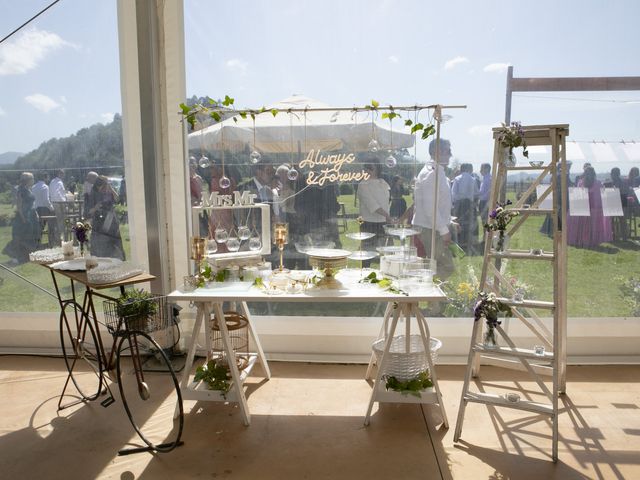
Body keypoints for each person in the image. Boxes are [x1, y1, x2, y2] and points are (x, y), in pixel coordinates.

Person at [409, 138, 455, 281]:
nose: (450, 155)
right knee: (445, 266)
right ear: (437, 152)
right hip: (431, 228)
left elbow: (438, 204)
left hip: (432, 226)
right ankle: (425, 292)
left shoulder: (436, 171)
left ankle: (432, 301)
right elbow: (430, 207)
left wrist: (450, 221)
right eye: (448, 151)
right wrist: (444, 230)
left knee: (433, 265)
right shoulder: (432, 173)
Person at [567, 166, 612, 248]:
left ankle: (583, 240)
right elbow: (602, 193)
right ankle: (591, 240)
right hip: (594, 207)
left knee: (583, 225)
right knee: (593, 225)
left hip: (583, 205)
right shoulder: (598, 183)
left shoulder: (581, 182)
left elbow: (578, 193)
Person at [357, 161, 392, 266]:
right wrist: (387, 216)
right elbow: (372, 204)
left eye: (370, 168)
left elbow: (387, 201)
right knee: (367, 254)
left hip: (383, 223)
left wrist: (387, 217)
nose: (367, 171)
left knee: (384, 254)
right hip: (368, 223)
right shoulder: (363, 184)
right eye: (365, 168)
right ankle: (366, 275)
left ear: (377, 169)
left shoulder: (383, 182)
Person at [2, 172, 40, 263]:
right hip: (24, 217)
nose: (33, 180)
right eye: (32, 178)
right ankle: (15, 255)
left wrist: (36, 214)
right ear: (28, 180)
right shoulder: (21, 190)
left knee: (29, 237)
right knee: (20, 238)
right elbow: (19, 206)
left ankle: (26, 256)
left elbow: (32, 204)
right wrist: (23, 219)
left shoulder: (28, 189)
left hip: (31, 216)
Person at [87, 176, 125, 259]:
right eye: (102, 187)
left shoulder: (109, 190)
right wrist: (96, 207)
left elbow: (117, 199)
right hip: (99, 222)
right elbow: (89, 211)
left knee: (115, 243)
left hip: (111, 220)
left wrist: (111, 189)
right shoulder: (94, 192)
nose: (103, 189)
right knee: (101, 246)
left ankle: (118, 259)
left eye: (105, 186)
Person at [451, 163, 479, 254]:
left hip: (459, 204)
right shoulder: (473, 179)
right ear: (468, 169)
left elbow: (453, 194)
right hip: (469, 204)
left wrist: (456, 202)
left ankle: (459, 244)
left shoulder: (457, 179)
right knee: (469, 224)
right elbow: (476, 193)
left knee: (458, 223)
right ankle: (468, 245)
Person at [32, 171, 56, 246]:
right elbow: (46, 200)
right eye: (47, 177)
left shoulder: (34, 186)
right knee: (51, 226)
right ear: (45, 178)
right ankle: (51, 242)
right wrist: (52, 208)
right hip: (44, 209)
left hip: (36, 208)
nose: (48, 179)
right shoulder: (45, 187)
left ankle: (37, 243)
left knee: (38, 228)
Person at [49, 169, 67, 245]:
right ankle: (60, 238)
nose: (63, 175)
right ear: (60, 174)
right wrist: (64, 203)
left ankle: (58, 237)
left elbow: (51, 193)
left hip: (53, 202)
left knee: (57, 221)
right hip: (59, 203)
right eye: (63, 174)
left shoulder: (52, 181)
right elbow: (58, 194)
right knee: (62, 220)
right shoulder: (59, 182)